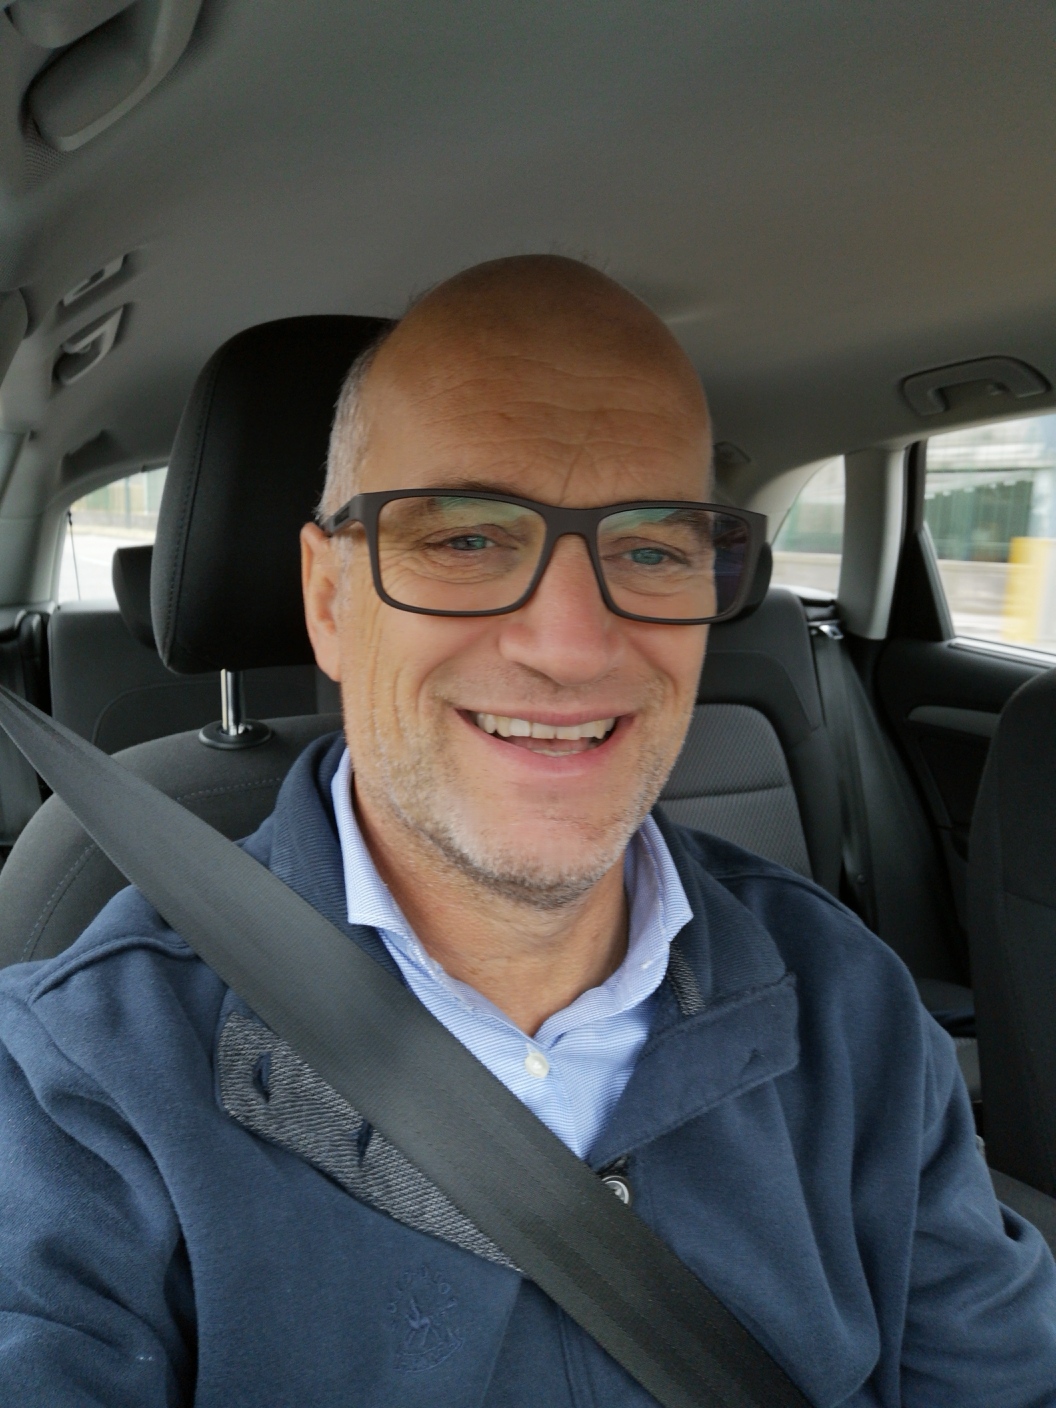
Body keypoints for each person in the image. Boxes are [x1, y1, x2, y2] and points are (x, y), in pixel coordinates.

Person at [0, 255, 1054, 1408]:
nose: (569, 645)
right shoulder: (81, 1083)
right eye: (464, 540)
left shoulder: (850, 1005)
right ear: (329, 597)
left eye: (649, 550)